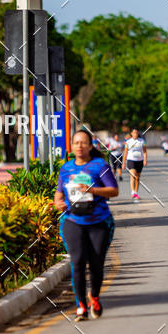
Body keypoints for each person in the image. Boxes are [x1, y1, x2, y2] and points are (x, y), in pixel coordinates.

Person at [55, 129, 119, 321]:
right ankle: (81, 305)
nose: (79, 146)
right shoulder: (66, 169)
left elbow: (114, 191)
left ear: (90, 146)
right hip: (73, 221)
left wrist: (93, 190)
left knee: (97, 264)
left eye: (83, 143)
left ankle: (95, 296)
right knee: (78, 262)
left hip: (98, 222)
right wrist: (59, 202)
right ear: (72, 147)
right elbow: (59, 195)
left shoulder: (99, 166)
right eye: (76, 143)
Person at [122, 127, 147, 200]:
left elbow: (145, 151)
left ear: (138, 133)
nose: (135, 134)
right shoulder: (128, 142)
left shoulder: (142, 141)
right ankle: (133, 192)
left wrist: (145, 160)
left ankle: (136, 192)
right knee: (133, 175)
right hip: (131, 160)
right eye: (134, 133)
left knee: (137, 178)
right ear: (131, 134)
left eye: (136, 132)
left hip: (139, 161)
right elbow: (125, 152)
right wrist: (123, 163)